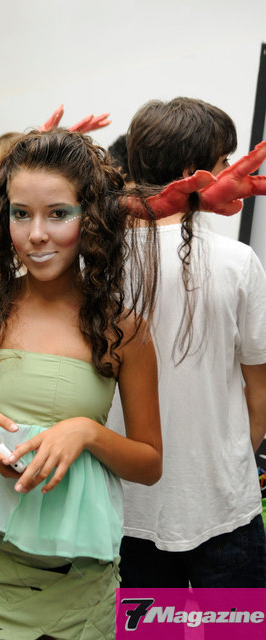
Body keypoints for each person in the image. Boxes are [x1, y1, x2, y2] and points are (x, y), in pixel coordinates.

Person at [0, 127, 162, 639]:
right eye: (21, 214)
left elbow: (149, 463)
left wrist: (87, 433)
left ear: (90, 219)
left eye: (58, 214)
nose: (36, 234)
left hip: (77, 575)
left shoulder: (124, 330)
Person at [114, 97, 266, 588]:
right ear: (191, 173)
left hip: (125, 504)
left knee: (151, 623)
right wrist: (230, 462)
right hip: (222, 503)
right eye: (223, 162)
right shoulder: (237, 262)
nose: (230, 173)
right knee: (232, 624)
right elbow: (260, 391)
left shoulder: (94, 261)